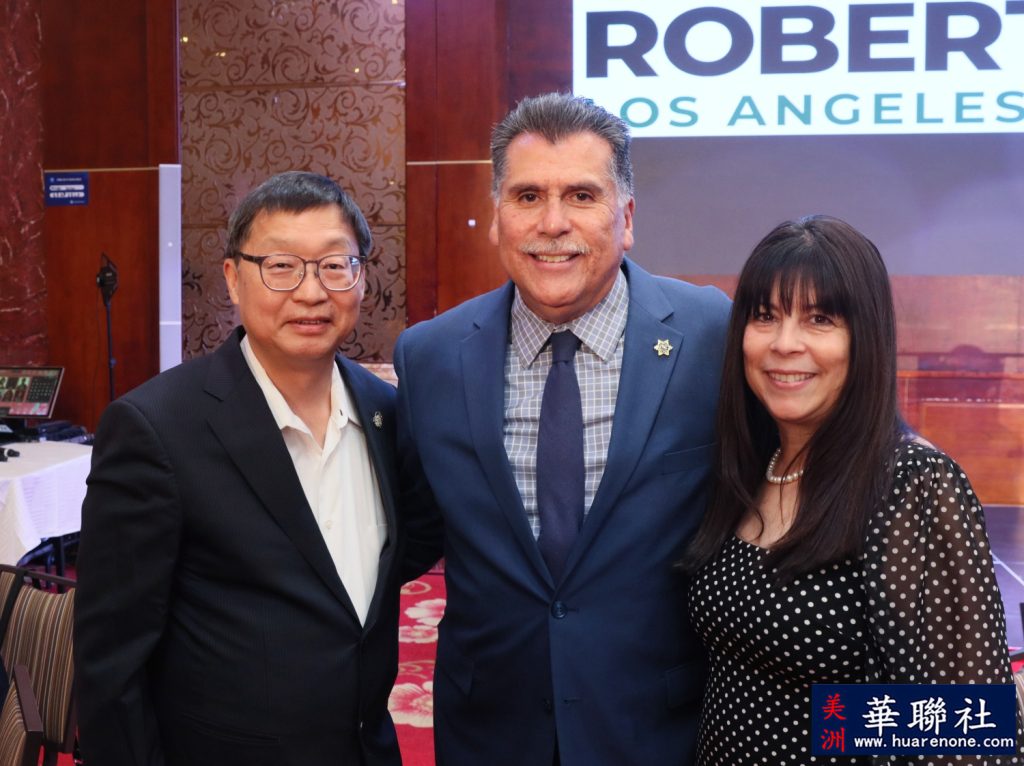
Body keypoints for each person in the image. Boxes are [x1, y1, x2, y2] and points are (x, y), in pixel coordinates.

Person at [394, 93, 731, 765]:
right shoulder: (430, 356)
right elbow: (412, 531)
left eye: (581, 195)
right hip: (489, 732)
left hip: (655, 729)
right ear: (497, 218)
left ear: (624, 218)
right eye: (528, 197)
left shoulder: (710, 334)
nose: (553, 223)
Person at [75, 171, 438, 766]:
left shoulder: (388, 412)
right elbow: (110, 661)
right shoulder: (156, 428)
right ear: (232, 278)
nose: (311, 292)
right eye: (281, 266)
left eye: (334, 265)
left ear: (361, 278)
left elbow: (397, 559)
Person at [682, 215, 1019, 765]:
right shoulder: (750, 464)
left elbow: (969, 727)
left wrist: (813, 727)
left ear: (865, 339)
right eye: (765, 316)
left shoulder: (912, 483)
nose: (784, 344)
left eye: (819, 319)